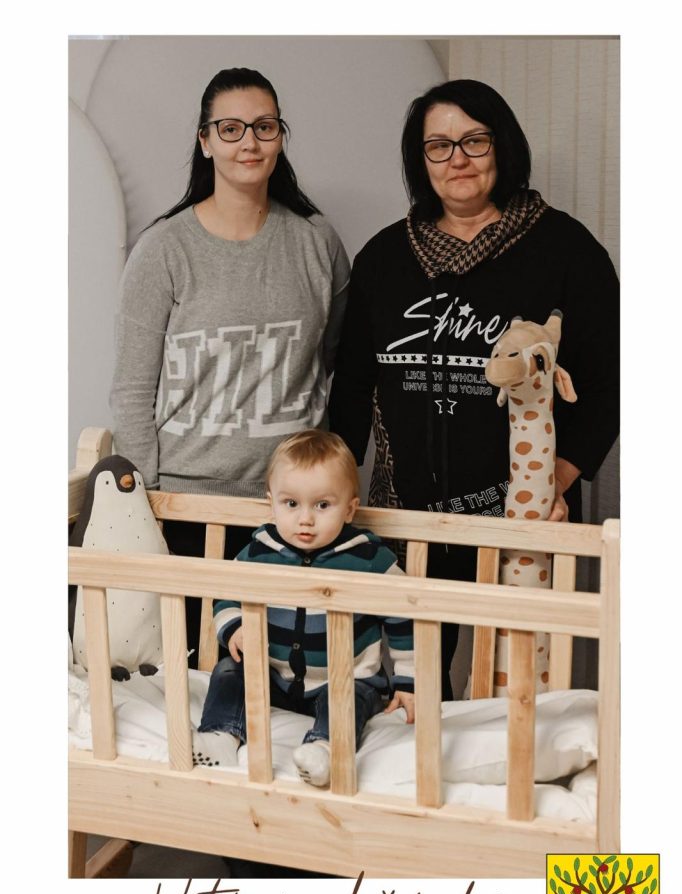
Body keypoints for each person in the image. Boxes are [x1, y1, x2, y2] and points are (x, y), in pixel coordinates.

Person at [328, 78, 619, 698]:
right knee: (408, 686)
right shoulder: (384, 257)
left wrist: (554, 479)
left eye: (474, 140)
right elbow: (352, 383)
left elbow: (607, 383)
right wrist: (332, 489)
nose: (457, 158)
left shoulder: (566, 250)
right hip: (404, 515)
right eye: (438, 146)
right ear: (421, 160)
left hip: (517, 515)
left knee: (514, 686)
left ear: (503, 146)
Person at [110, 68, 350, 662]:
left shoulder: (317, 242)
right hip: (187, 504)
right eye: (231, 128)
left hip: (295, 507)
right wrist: (148, 501)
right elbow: (133, 389)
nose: (249, 142)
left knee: (293, 675)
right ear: (205, 140)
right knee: (193, 672)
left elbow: (332, 356)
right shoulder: (164, 249)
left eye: (264, 127)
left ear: (280, 137)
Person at [194, 430, 415, 787]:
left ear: (350, 509)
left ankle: (325, 749)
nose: (305, 519)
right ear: (271, 503)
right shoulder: (260, 550)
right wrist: (234, 627)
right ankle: (220, 734)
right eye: (291, 504)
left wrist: (408, 681)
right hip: (273, 677)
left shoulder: (368, 557)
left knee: (348, 697)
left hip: (344, 678)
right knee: (229, 671)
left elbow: (407, 613)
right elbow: (226, 593)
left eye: (322, 505)